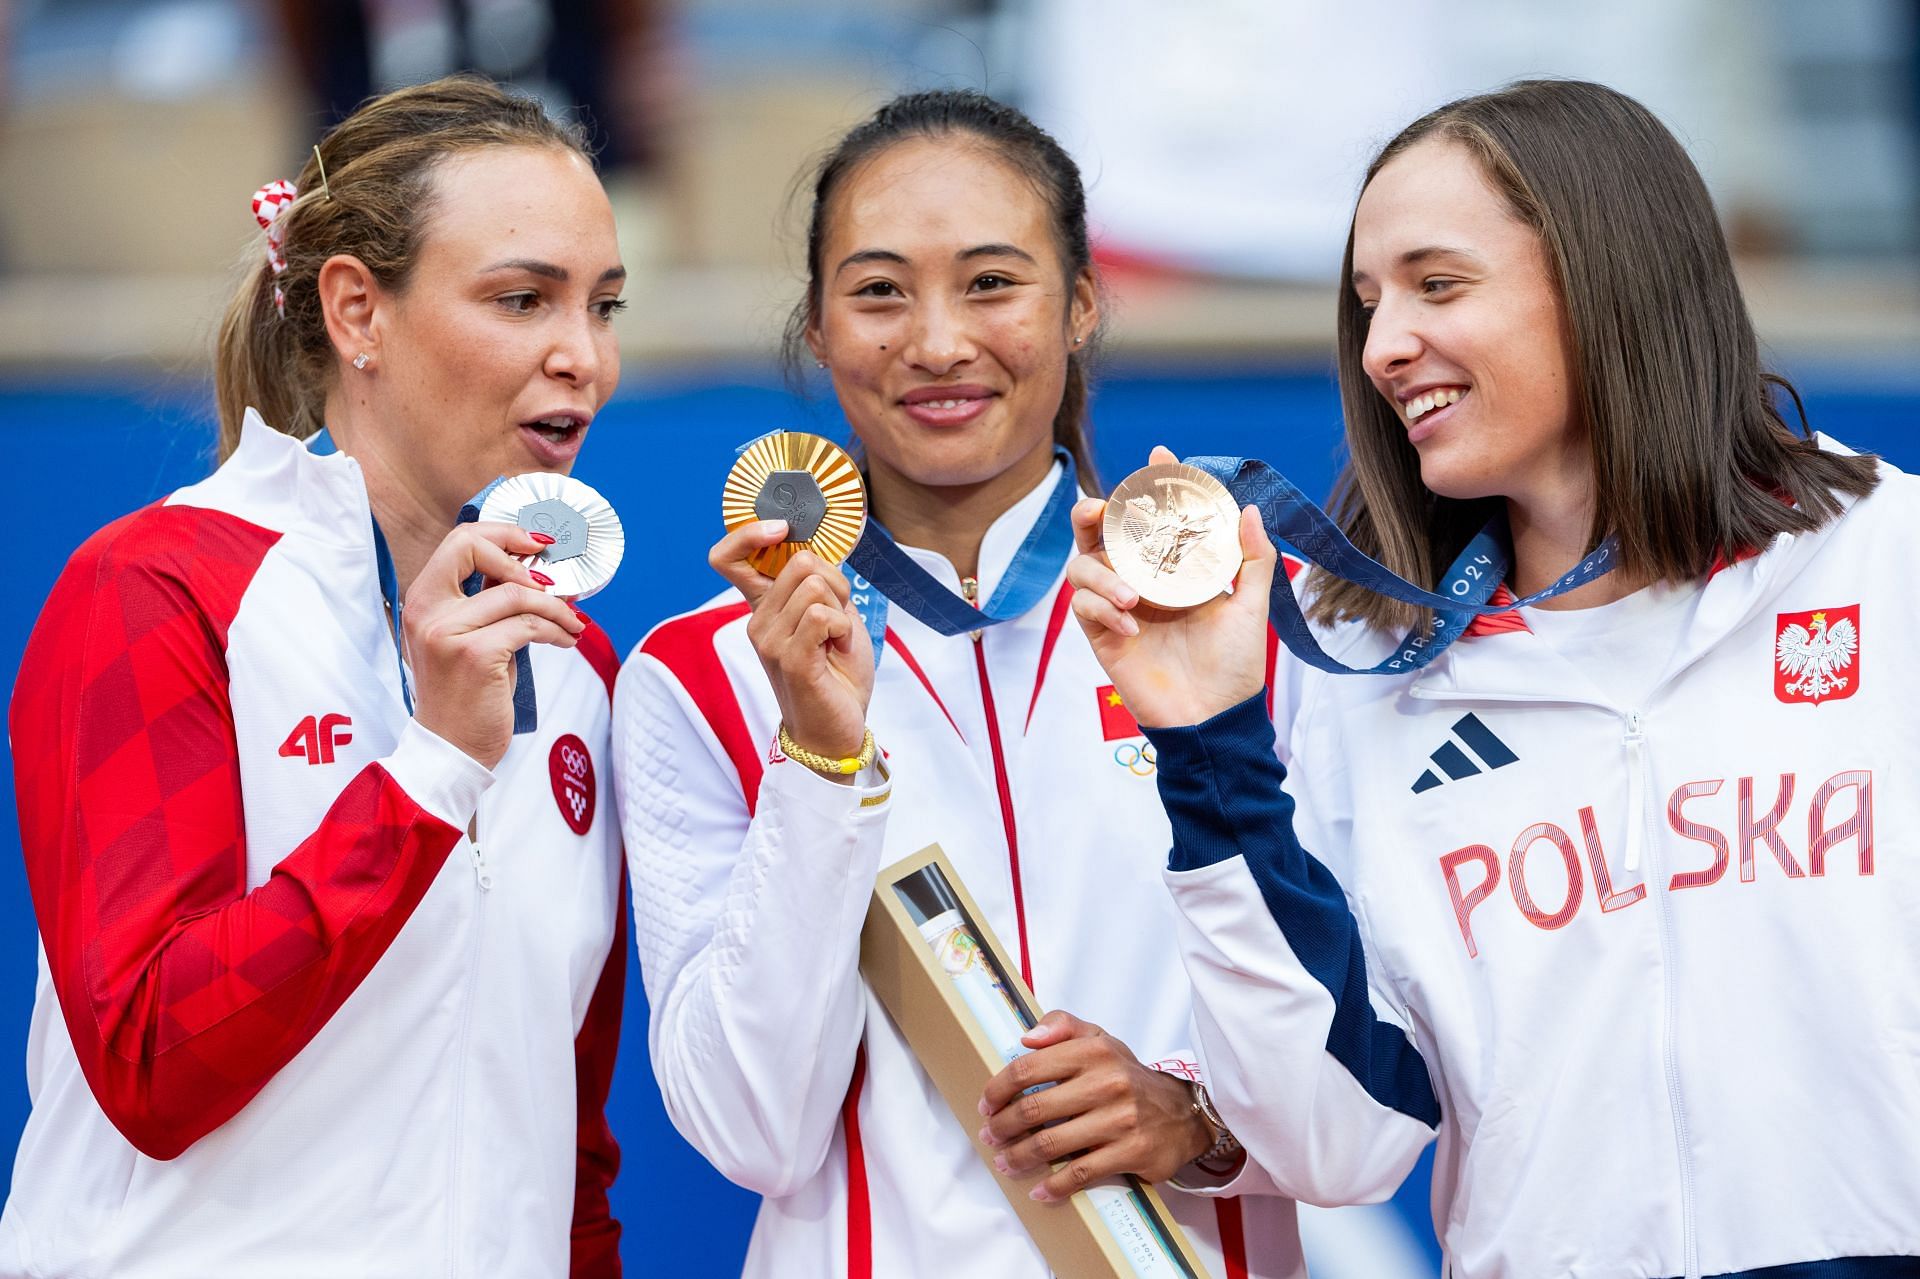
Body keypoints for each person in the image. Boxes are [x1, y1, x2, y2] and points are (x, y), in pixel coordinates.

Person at [1063, 78, 1917, 1278]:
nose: (1382, 346)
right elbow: (1338, 1141)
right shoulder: (1357, 661)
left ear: (1605, 275)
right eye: (1368, 303)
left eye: (1438, 284)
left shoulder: (1894, 565)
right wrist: (1210, 741)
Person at [615, 90, 1304, 1278]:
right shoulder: (701, 673)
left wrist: (1191, 1118)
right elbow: (750, 1132)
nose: (936, 342)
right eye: (879, 291)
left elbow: (1383, 1074)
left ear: (1082, 302)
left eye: (992, 282)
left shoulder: (1250, 616)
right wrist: (821, 766)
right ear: (819, 327)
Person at [2, 76, 630, 1278]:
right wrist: (430, 771)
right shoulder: (153, 588)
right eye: (522, 299)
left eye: (604, 304)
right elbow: (149, 1059)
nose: (582, 356)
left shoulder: (576, 661)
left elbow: (569, 1154)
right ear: (357, 310)